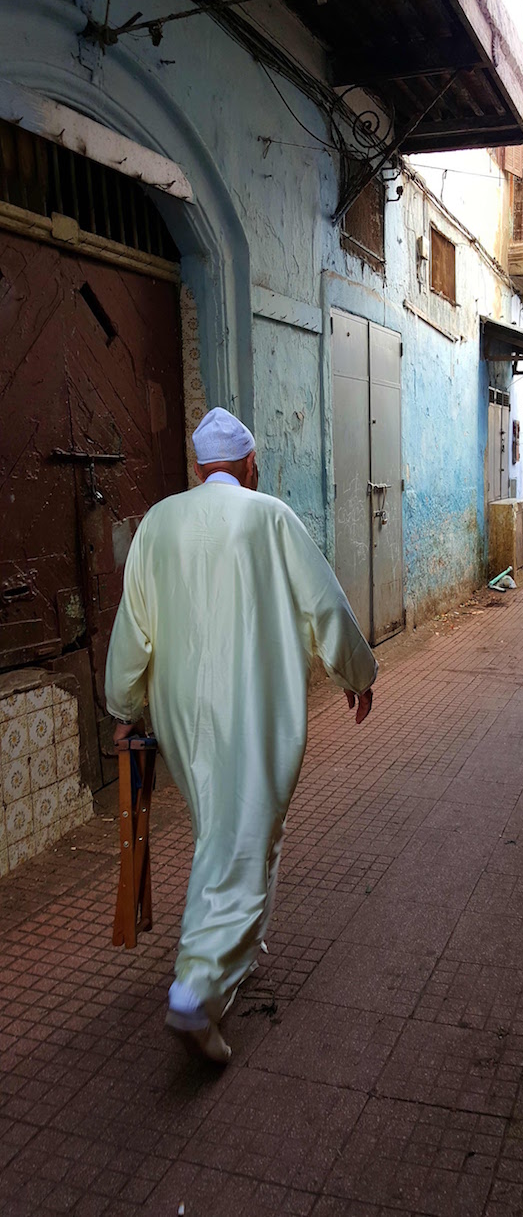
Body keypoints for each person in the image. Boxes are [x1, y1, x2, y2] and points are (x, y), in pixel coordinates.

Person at [105, 407, 377, 1063]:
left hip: (179, 712)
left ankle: (235, 955)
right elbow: (325, 603)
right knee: (239, 841)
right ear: (250, 464)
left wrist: (125, 704)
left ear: (200, 468)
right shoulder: (269, 515)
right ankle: (195, 989)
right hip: (250, 705)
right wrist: (355, 671)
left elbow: (134, 623)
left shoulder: (159, 523)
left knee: (227, 833)